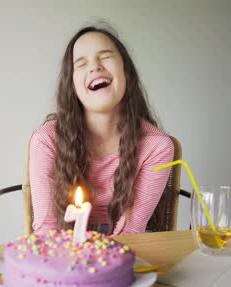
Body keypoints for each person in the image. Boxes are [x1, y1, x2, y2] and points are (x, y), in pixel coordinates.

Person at [29, 25, 174, 235]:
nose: (94, 67)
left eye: (104, 56)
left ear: (126, 71)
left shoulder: (157, 146)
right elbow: (46, 232)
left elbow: (130, 232)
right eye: (81, 63)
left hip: (125, 253)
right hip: (61, 255)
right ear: (72, 86)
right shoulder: (46, 140)